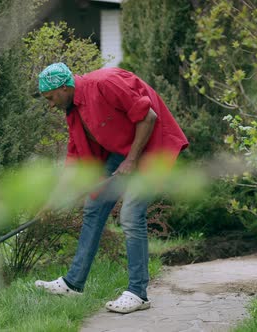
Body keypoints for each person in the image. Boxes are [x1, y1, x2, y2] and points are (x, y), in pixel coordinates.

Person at [34, 62, 188, 314]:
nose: (50, 104)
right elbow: (74, 164)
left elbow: (149, 117)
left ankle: (138, 294)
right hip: (124, 151)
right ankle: (73, 284)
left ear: (64, 87)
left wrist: (131, 160)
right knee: (94, 206)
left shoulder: (104, 83)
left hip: (152, 147)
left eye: (51, 98)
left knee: (130, 214)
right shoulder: (74, 111)